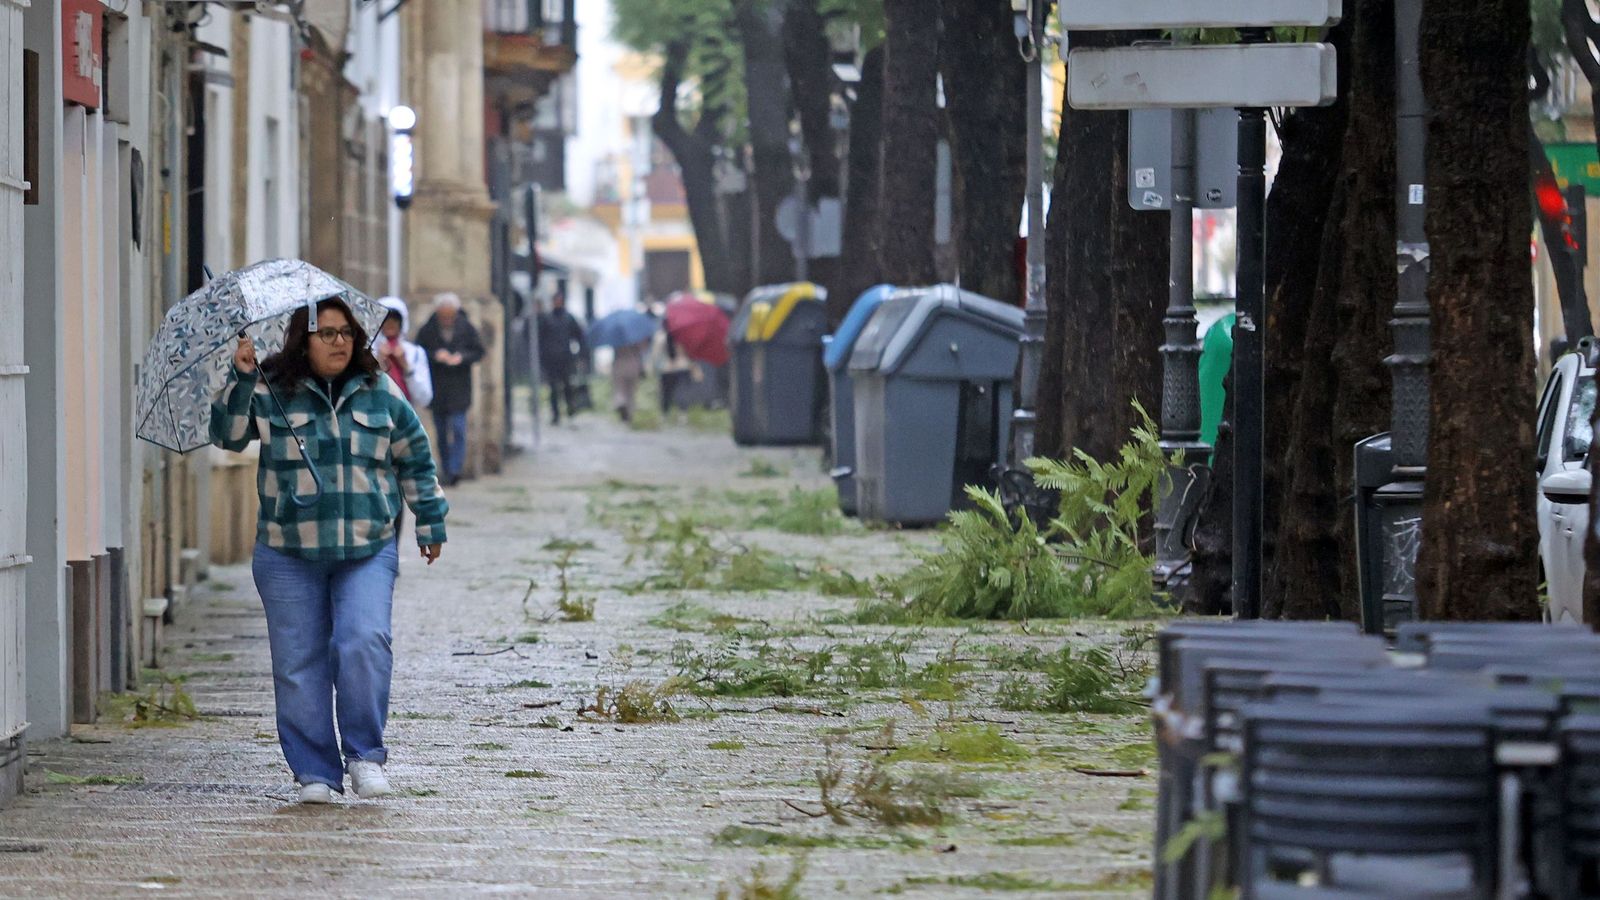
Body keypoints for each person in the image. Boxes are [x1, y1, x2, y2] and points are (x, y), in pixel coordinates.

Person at [211, 298, 448, 805]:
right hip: (287, 552)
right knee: (299, 662)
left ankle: (365, 757)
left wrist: (430, 521)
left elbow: (416, 459)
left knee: (363, 641)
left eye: (346, 332)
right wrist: (242, 378)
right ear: (304, 341)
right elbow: (227, 437)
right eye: (326, 333)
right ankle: (314, 771)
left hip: (366, 548)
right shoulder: (274, 391)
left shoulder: (379, 392)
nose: (339, 341)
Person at [376, 297, 432, 545]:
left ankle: (392, 546)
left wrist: (405, 366)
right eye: (385, 321)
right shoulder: (367, 350)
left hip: (401, 428)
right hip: (374, 425)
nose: (389, 326)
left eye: (394, 321)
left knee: (397, 488)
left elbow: (425, 396)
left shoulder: (415, 353)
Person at [415, 292, 486, 486]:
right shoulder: (428, 330)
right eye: (443, 315)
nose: (447, 319)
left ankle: (455, 469)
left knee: (458, 428)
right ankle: (446, 468)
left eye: (450, 315)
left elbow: (479, 351)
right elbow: (418, 353)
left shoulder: (466, 327)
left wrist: (460, 358)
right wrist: (436, 356)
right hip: (437, 389)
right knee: (440, 432)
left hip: (459, 388)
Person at [539, 291, 588, 424]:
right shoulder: (547, 318)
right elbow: (540, 339)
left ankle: (570, 410)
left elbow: (579, 336)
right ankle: (555, 414)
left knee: (567, 386)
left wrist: (581, 355)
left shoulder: (569, 318)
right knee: (553, 388)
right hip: (551, 359)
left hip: (565, 358)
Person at [652, 328, 693, 419]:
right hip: (683, 366)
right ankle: (683, 413)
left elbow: (656, 354)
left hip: (667, 368)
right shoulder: (685, 335)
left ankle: (664, 414)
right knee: (683, 391)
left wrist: (654, 367)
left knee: (666, 393)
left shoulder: (661, 336)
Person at [611, 339, 647, 424]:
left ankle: (620, 402)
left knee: (620, 389)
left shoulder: (616, 338)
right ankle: (630, 414)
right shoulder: (636, 337)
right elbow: (643, 350)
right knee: (631, 392)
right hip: (633, 365)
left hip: (619, 365)